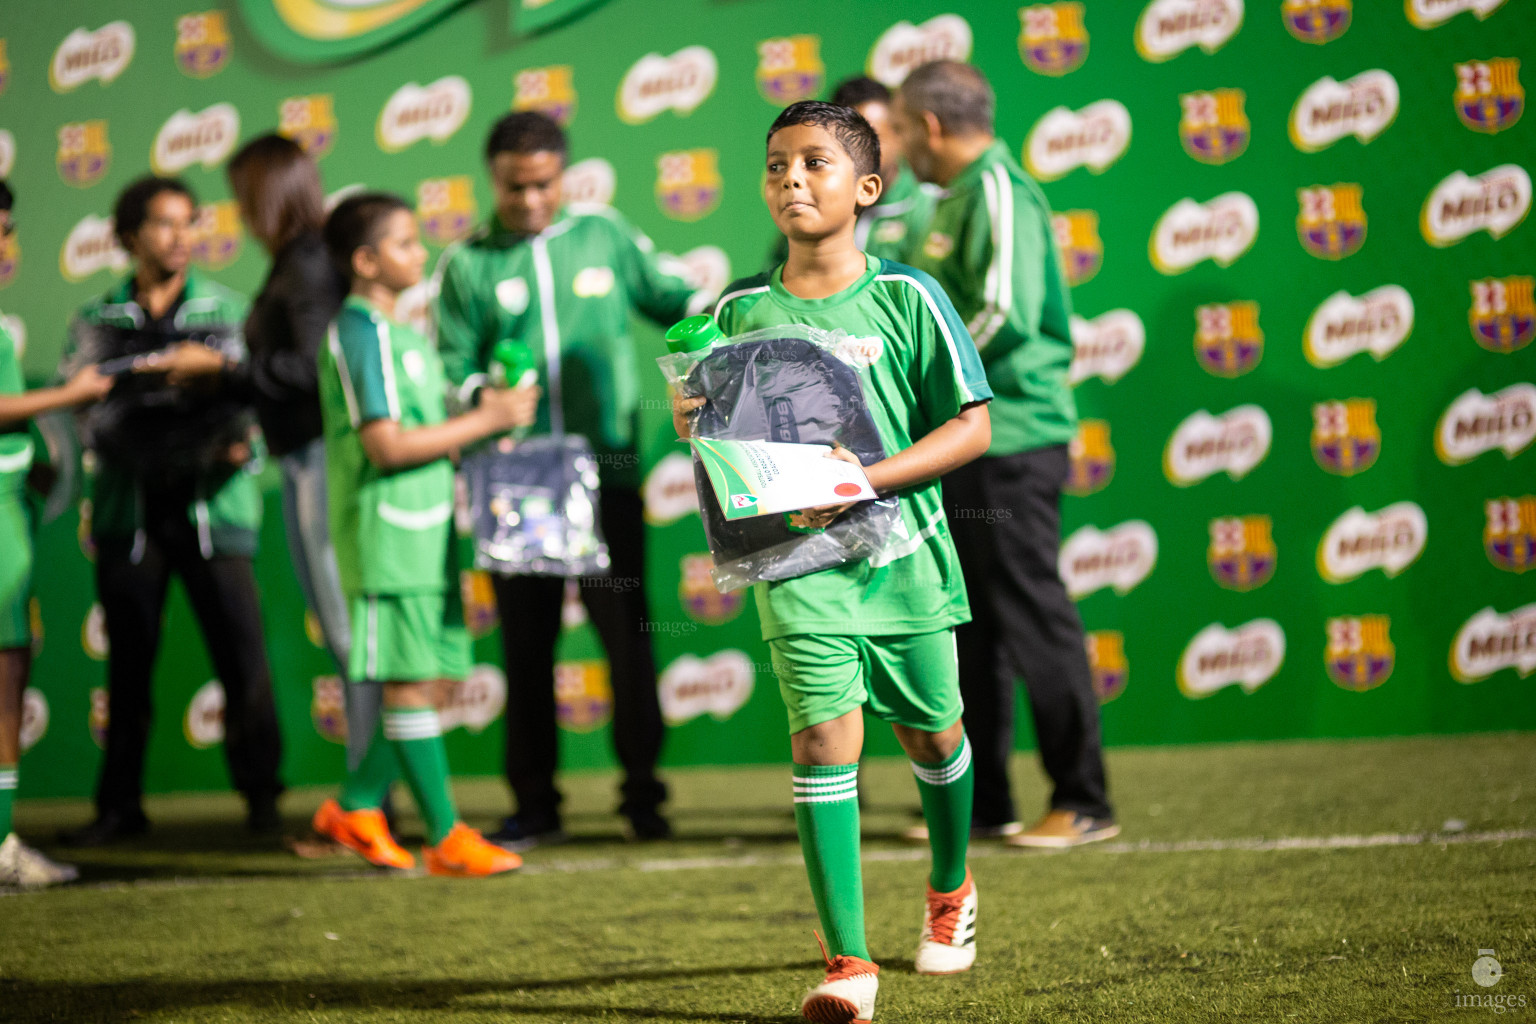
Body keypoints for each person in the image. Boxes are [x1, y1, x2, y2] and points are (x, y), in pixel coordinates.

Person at [677, 100, 994, 1024]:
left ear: (867, 189)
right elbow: (715, 438)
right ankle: (849, 966)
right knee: (823, 741)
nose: (791, 181)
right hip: (797, 564)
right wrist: (692, 421)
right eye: (777, 165)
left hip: (908, 561)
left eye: (815, 164)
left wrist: (871, 478)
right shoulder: (736, 309)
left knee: (935, 734)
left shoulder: (908, 297)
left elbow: (973, 426)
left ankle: (950, 889)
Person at [434, 111, 711, 848]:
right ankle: (534, 803)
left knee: (628, 637)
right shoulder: (466, 263)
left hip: (608, 466)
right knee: (525, 645)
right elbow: (450, 365)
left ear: (564, 175)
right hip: (516, 478)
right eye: (514, 187)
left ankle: (644, 796)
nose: (529, 200)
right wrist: (478, 399)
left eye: (543, 184)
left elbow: (675, 300)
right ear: (493, 180)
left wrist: (727, 328)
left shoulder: (606, 234)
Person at [893, 61, 1117, 848]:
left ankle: (1084, 800)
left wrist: (922, 387)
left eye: (897, 125)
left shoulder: (997, 186)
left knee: (1030, 610)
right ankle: (987, 804)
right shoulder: (947, 199)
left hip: (1012, 436)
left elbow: (1004, 311)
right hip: (963, 443)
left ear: (926, 127)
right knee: (972, 624)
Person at [143, 134, 388, 831]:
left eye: (239, 196)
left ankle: (369, 804)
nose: (233, 214)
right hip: (306, 457)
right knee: (349, 637)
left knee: (352, 638)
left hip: (321, 459)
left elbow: (314, 368)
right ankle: (367, 802)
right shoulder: (301, 261)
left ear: (263, 194)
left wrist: (219, 371)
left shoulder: (306, 263)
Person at [310, 191, 534, 876]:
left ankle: (352, 804)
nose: (421, 254)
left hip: (431, 532)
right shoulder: (356, 333)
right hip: (386, 536)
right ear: (365, 260)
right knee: (408, 684)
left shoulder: (405, 335)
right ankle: (445, 836)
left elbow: (436, 429)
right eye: (405, 243)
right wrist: (486, 421)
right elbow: (386, 445)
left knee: (432, 680)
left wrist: (492, 404)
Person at [58, 176, 284, 846]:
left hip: (215, 512)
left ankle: (264, 806)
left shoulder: (229, 310)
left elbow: (260, 407)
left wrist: (240, 448)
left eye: (190, 223)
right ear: (128, 237)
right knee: (127, 672)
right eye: (164, 224)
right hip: (128, 517)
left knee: (243, 662)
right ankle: (118, 809)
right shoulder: (95, 323)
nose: (181, 238)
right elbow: (88, 418)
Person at [0, 181, 113, 886]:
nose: (7, 245)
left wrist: (38, 463)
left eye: (9, 228)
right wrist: (72, 396)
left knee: (9, 674)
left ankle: (3, 842)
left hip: (9, 523)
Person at [765, 76, 935, 272]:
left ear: (897, 133)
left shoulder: (928, 208)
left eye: (871, 137)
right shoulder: (807, 213)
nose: (857, 151)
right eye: (843, 142)